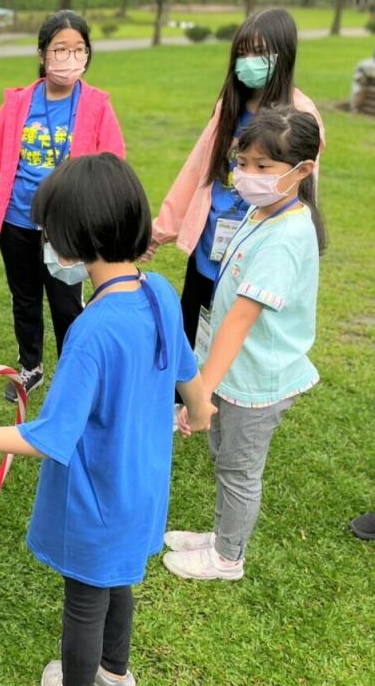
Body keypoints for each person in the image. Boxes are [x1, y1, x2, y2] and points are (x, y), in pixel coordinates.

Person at [0, 154, 213, 686]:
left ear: (75, 238)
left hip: (96, 502)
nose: (44, 241)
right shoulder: (158, 291)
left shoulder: (92, 330)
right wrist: (200, 413)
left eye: (48, 230)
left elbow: (49, 437)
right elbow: (189, 376)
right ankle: (116, 673)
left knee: (86, 603)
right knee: (118, 584)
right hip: (144, 491)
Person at [163, 107, 326, 581]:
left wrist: (199, 396)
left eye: (263, 167)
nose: (248, 175)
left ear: (303, 171)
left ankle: (227, 558)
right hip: (234, 371)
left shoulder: (285, 237)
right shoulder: (263, 212)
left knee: (238, 469)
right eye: (244, 163)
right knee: (224, 456)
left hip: (258, 380)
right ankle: (220, 536)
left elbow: (238, 321)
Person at [0, 10, 125, 402]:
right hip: (17, 222)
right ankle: (31, 368)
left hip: (68, 230)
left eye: (79, 49)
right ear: (42, 54)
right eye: (60, 49)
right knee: (24, 297)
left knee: (66, 303)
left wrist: (113, 223)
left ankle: (76, 374)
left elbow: (113, 166)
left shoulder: (96, 106)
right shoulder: (18, 104)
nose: (69, 57)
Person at [144, 8, 324, 363]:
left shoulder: (302, 116)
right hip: (209, 250)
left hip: (258, 258)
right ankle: (184, 409)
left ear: (283, 55)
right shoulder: (229, 106)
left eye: (260, 52)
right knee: (190, 343)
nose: (248, 61)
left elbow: (303, 195)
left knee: (236, 348)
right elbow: (198, 171)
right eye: (242, 52)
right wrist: (161, 230)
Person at [349, 49, 375, 113]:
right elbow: (360, 80)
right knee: (359, 93)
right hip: (362, 86)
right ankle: (355, 110)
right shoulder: (366, 65)